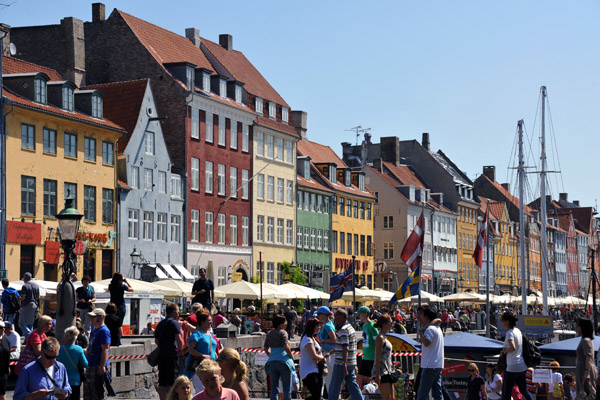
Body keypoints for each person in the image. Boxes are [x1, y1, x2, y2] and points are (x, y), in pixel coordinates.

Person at [327, 309, 363, 400]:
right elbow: (343, 345)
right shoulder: (350, 328)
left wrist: (344, 363)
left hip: (341, 363)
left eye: (337, 318)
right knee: (352, 385)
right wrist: (330, 352)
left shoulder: (343, 330)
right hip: (351, 362)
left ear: (343, 317)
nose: (335, 320)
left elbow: (345, 347)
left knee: (334, 386)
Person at [500, 311, 533, 400]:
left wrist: (504, 351)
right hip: (522, 366)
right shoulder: (518, 331)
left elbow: (513, 347)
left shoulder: (509, 333)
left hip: (512, 367)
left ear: (507, 322)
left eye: (502, 320)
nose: (501, 322)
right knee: (524, 390)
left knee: (506, 393)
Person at [155, 304, 184, 400]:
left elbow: (156, 341)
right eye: (178, 311)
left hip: (161, 355)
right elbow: (178, 338)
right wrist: (181, 350)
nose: (179, 313)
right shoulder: (174, 323)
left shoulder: (160, 324)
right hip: (172, 355)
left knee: (162, 381)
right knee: (172, 381)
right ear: (174, 312)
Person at [264, 314, 295, 400]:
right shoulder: (283, 332)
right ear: (280, 324)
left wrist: (271, 355)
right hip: (283, 362)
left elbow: (265, 348)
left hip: (272, 362)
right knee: (286, 388)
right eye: (285, 322)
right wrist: (291, 356)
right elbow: (285, 346)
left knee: (274, 388)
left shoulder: (269, 333)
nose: (286, 323)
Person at [185, 311, 217, 393]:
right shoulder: (197, 334)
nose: (211, 322)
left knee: (209, 390)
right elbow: (190, 349)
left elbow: (213, 349)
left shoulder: (209, 333)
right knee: (202, 390)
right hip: (199, 366)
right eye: (209, 320)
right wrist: (202, 355)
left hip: (210, 366)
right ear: (202, 322)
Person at [417, 307, 444, 400]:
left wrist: (420, 333)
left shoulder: (430, 329)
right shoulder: (437, 328)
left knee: (422, 393)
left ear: (426, 317)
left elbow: (426, 342)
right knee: (437, 393)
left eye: (422, 315)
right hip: (437, 364)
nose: (421, 317)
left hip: (429, 365)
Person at [84, 308, 111, 400]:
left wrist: (102, 366)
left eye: (93, 317)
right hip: (90, 364)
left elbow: (105, 349)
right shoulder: (94, 330)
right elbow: (90, 345)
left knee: (97, 392)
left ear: (101, 317)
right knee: (88, 392)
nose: (91, 319)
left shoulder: (104, 331)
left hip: (97, 365)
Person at [57, 326, 88, 400]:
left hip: (62, 381)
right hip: (75, 381)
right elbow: (85, 364)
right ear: (75, 338)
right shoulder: (79, 349)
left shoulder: (59, 349)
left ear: (65, 337)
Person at [299, 318, 325, 400]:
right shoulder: (307, 339)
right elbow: (313, 356)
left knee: (318, 396)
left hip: (316, 370)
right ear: (312, 327)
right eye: (317, 325)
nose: (319, 327)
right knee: (316, 395)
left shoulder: (314, 338)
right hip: (308, 371)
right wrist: (323, 358)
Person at [373, 315, 394, 400]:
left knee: (391, 397)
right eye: (391, 323)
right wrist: (378, 375)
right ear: (385, 324)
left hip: (388, 370)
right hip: (382, 372)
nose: (392, 325)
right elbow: (377, 357)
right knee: (386, 397)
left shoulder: (385, 337)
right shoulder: (380, 338)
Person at [316, 306, 336, 396]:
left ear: (324, 315)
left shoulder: (328, 325)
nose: (318, 316)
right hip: (329, 354)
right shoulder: (329, 324)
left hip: (329, 355)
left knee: (328, 378)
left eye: (319, 314)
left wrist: (322, 340)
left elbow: (334, 339)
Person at [357, 305, 379, 388]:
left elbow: (377, 341)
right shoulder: (364, 326)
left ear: (366, 314)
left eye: (360, 314)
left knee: (373, 379)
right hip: (365, 356)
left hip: (372, 357)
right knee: (359, 377)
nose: (359, 316)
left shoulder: (372, 326)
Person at [575, 318, 597, 399]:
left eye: (578, 325)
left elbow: (589, 356)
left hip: (584, 369)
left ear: (582, 327)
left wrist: (587, 372)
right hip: (583, 368)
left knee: (586, 393)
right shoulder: (584, 340)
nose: (576, 327)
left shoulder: (585, 340)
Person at [19, 272, 40, 341]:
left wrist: (19, 298)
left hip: (26, 305)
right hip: (34, 305)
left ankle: (31, 336)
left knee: (21, 323)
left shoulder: (25, 286)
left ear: (25, 278)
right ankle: (28, 340)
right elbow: (38, 297)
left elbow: (23, 297)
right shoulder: (36, 285)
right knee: (30, 323)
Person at [0, 321, 9, 400]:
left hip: (3, 372)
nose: (2, 329)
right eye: (0, 327)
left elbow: (7, 355)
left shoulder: (5, 340)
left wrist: (8, 367)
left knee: (2, 392)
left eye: (3, 328)